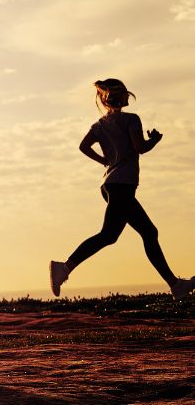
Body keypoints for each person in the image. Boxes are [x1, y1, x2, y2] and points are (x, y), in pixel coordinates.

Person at [50, 79, 193, 300]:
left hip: (110, 185)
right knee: (112, 234)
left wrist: (105, 161)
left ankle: (176, 285)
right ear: (123, 97)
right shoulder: (131, 120)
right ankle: (64, 267)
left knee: (142, 233)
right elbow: (140, 148)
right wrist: (154, 140)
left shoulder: (99, 125)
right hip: (122, 186)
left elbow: (83, 146)